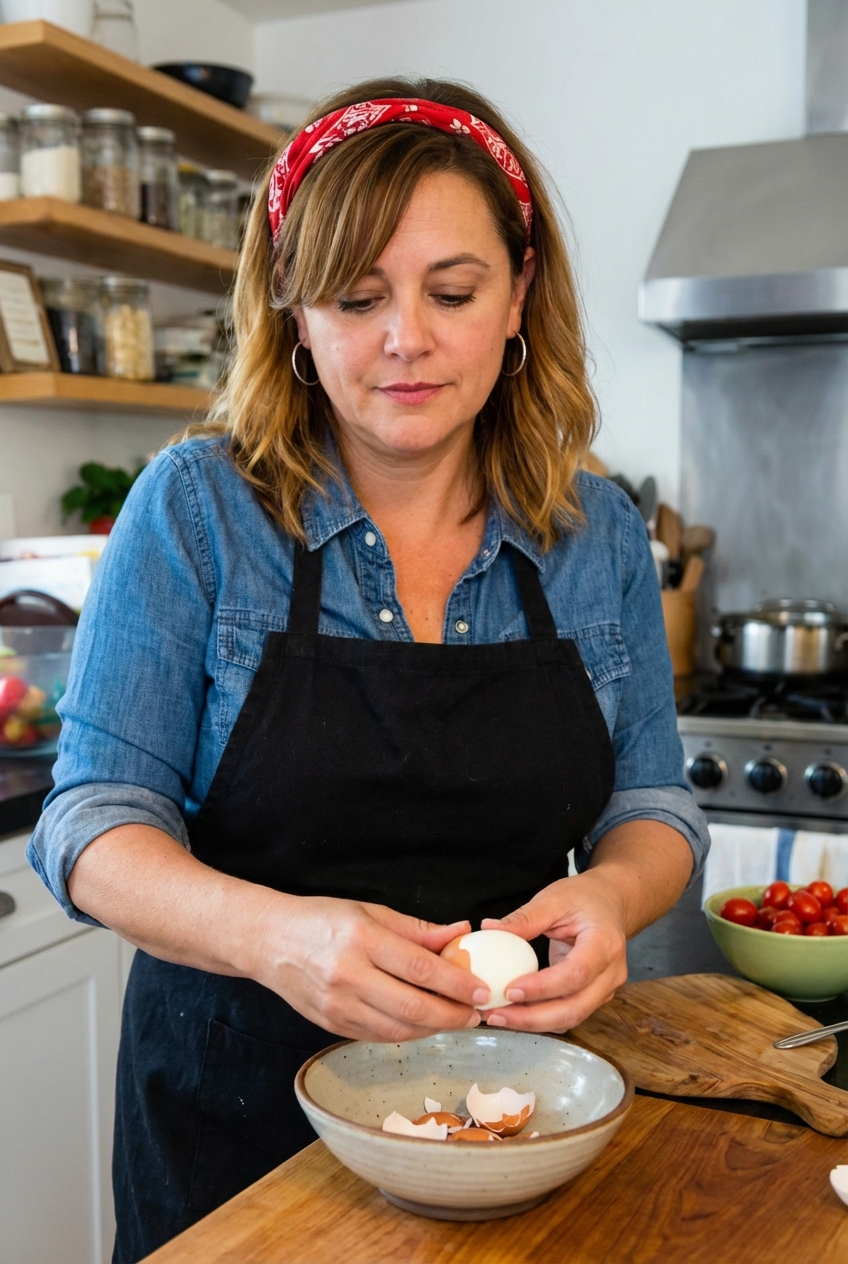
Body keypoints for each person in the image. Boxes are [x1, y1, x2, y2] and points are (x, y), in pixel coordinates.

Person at [29, 77, 709, 1262]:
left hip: (512, 1119)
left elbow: (649, 804)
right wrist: (278, 939)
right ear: (293, 313)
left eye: (452, 290)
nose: (406, 337)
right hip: (230, 1133)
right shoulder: (196, 515)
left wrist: (609, 897)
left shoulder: (596, 534)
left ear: (517, 299)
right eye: (354, 296)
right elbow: (90, 824)